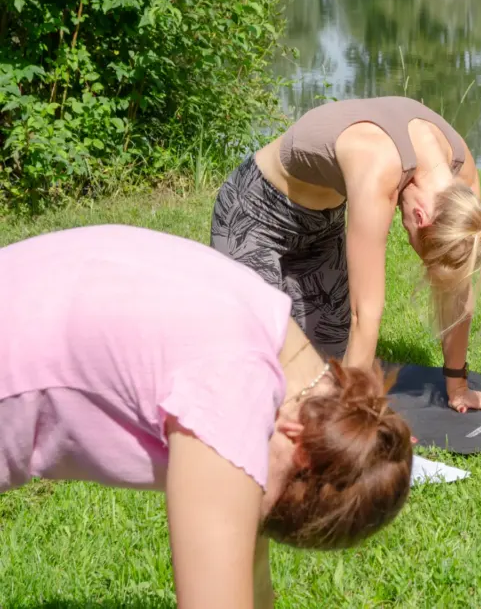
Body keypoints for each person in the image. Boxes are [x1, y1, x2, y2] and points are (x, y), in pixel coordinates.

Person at [0, 224, 413, 609]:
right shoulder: (231, 392)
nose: (247, 502)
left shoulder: (277, 339)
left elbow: (249, 575)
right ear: (297, 441)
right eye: (265, 506)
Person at [210, 96, 481, 418]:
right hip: (253, 217)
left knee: (323, 374)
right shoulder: (379, 167)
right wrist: (356, 420)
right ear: (420, 217)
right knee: (260, 372)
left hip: (321, 225)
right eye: (424, 255)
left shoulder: (461, 181)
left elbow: (457, 284)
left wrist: (458, 386)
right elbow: (365, 314)